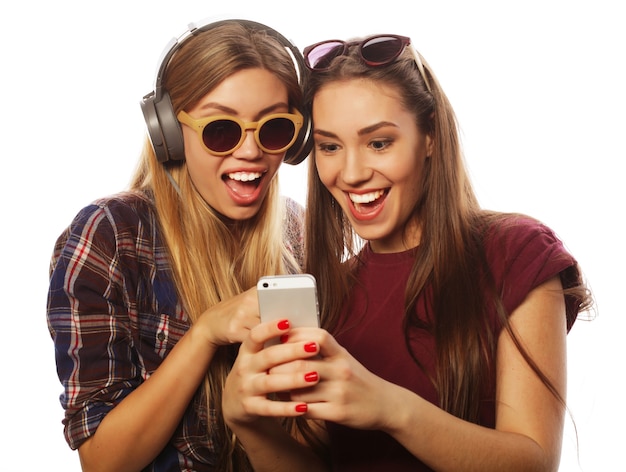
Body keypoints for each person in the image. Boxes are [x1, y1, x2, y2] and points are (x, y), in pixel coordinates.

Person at [222, 34, 593, 471]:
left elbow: (535, 462)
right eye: (330, 146)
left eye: (379, 143)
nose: (353, 174)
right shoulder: (331, 293)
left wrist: (389, 407)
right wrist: (248, 425)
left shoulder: (515, 252)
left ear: (430, 136)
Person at [46, 18, 313, 471]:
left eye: (273, 129)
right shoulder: (109, 234)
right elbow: (104, 462)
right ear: (168, 131)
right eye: (221, 130)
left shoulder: (295, 231)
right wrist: (206, 333)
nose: (251, 152)